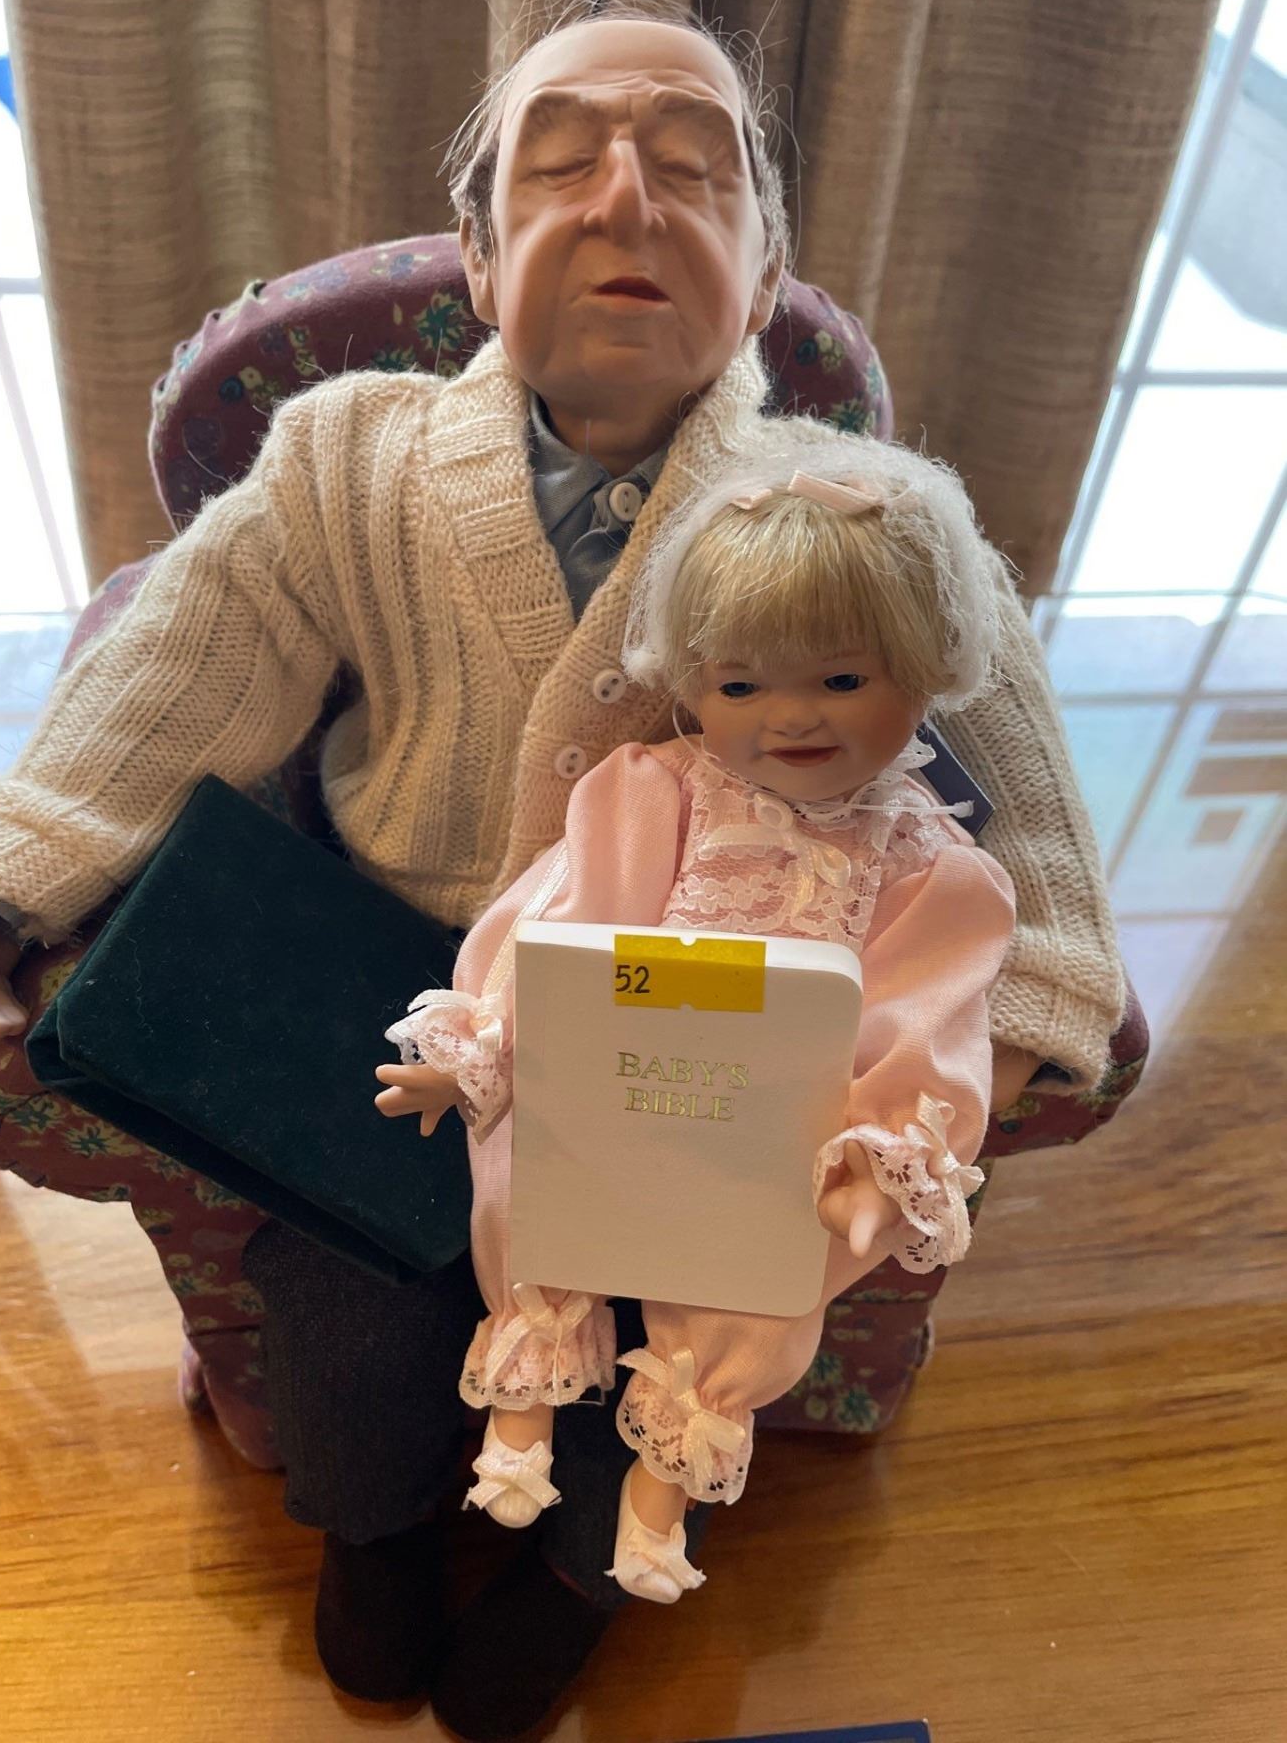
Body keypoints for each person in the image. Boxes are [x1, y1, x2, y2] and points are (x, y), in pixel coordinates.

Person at [0, 0, 1122, 1740]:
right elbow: (188, 655)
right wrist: (20, 854)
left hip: (729, 1038)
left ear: (765, 269)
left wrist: (993, 1027)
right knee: (350, 1303)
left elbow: (1022, 792)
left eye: (694, 170)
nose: (627, 197)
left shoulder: (860, 512)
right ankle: (374, 1520)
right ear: (481, 264)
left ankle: (583, 1570)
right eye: (561, 166)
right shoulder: (348, 458)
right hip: (422, 1001)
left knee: (697, 1317)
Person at [375, 436, 1015, 1604]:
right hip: (611, 1079)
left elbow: (925, 1024)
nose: (790, 717)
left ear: (926, 670)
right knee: (529, 1162)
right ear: (691, 685)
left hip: (774, 1130)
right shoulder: (652, 792)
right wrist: (481, 1051)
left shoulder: (933, 871)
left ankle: (664, 1483)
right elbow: (559, 922)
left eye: (842, 680)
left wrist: (881, 1156)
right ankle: (523, 1399)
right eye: (739, 685)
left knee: (766, 1266)